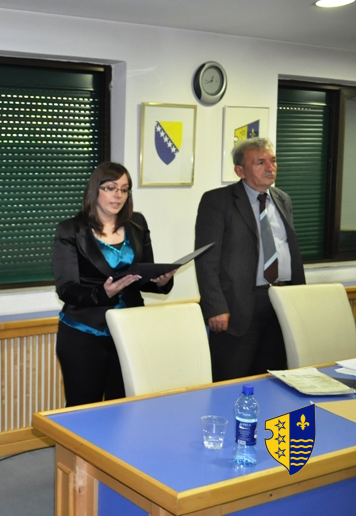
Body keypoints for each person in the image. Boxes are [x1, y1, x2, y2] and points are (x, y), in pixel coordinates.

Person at [53, 162, 175, 407]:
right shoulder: (71, 229)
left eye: (124, 189)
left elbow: (142, 276)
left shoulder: (137, 224)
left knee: (124, 407)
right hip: (85, 333)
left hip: (130, 331)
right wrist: (103, 292)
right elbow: (66, 288)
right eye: (110, 188)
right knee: (83, 409)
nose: (118, 195)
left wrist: (162, 282)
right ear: (95, 190)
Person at [194, 137, 305, 382]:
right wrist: (216, 307)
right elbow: (206, 260)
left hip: (283, 300)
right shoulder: (218, 201)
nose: (270, 167)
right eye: (260, 162)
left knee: (276, 377)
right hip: (238, 305)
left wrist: (300, 299)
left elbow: (288, 249)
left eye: (273, 161)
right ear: (240, 171)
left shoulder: (283, 199)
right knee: (231, 378)